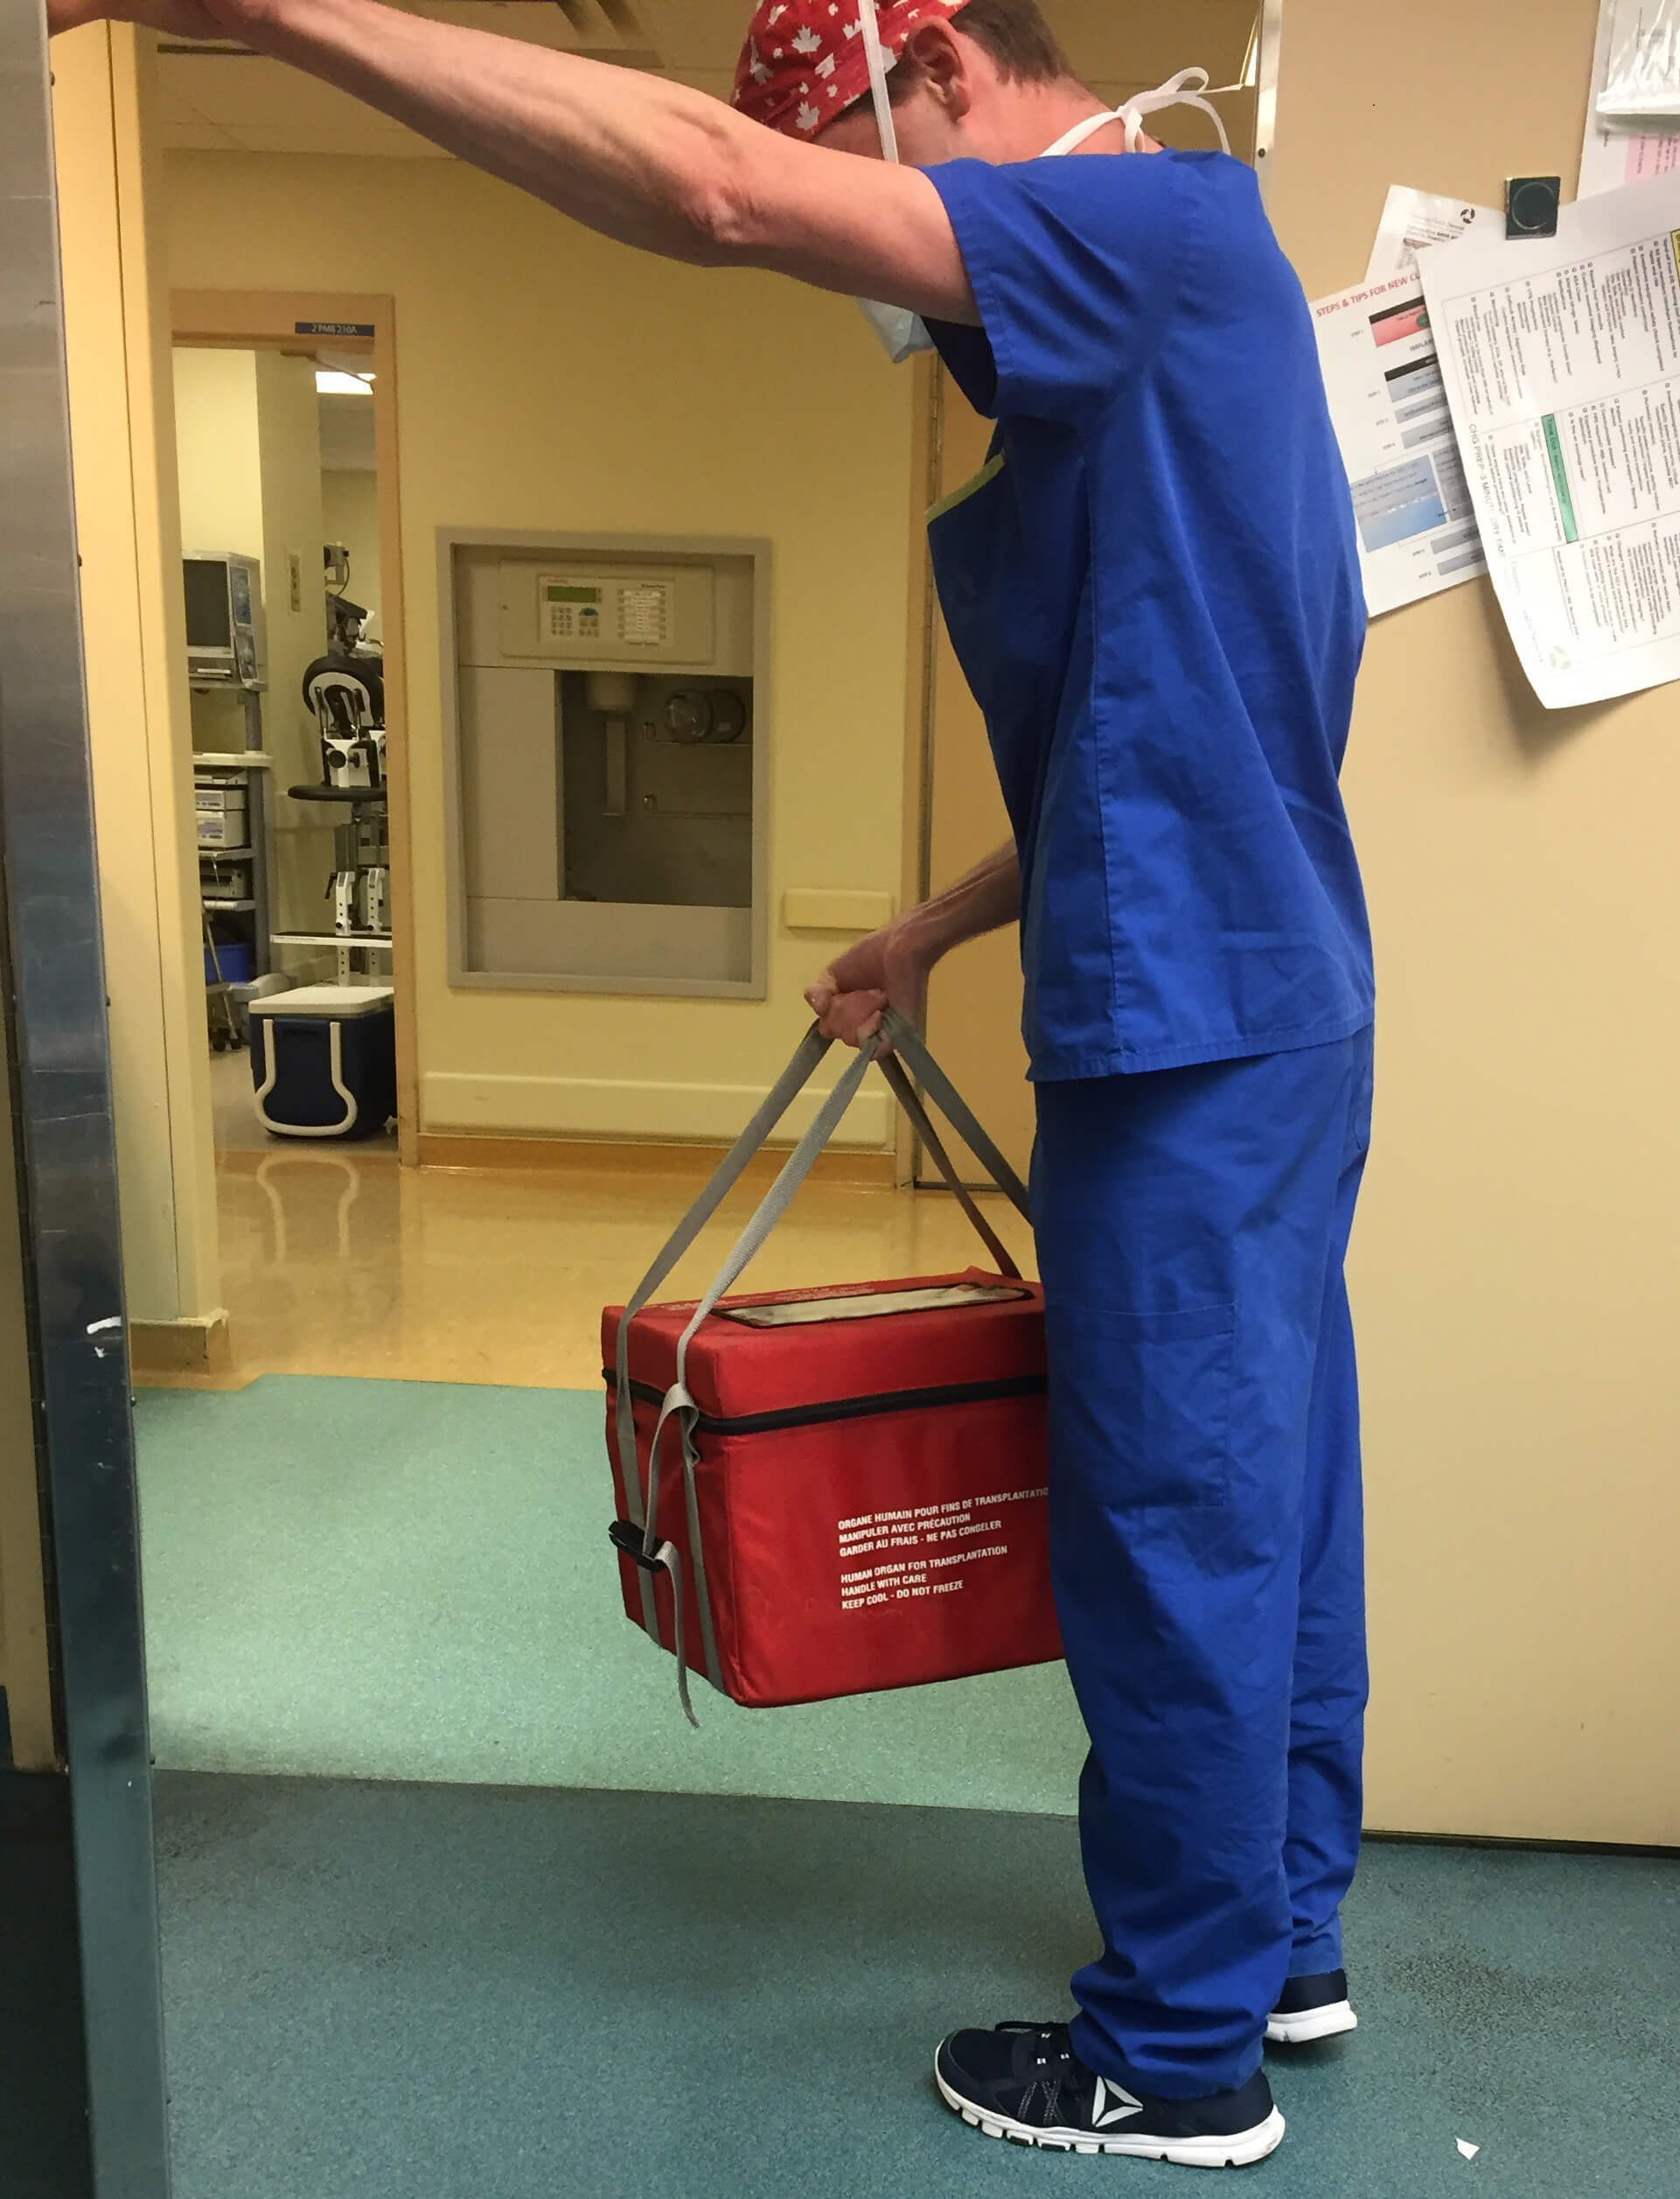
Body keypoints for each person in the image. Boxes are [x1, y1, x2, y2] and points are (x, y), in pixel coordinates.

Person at [49, 0, 1373, 2168]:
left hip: (1196, 1030)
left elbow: (717, 185)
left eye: (869, 180)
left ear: (932, 64)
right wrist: (931, 936)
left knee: (1170, 1526)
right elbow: (1176, 741)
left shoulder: (1142, 234)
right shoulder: (1172, 322)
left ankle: (1175, 2049)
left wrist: (277, 20)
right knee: (1270, 1498)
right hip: (1258, 1000)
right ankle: (1276, 1950)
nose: (871, 273)